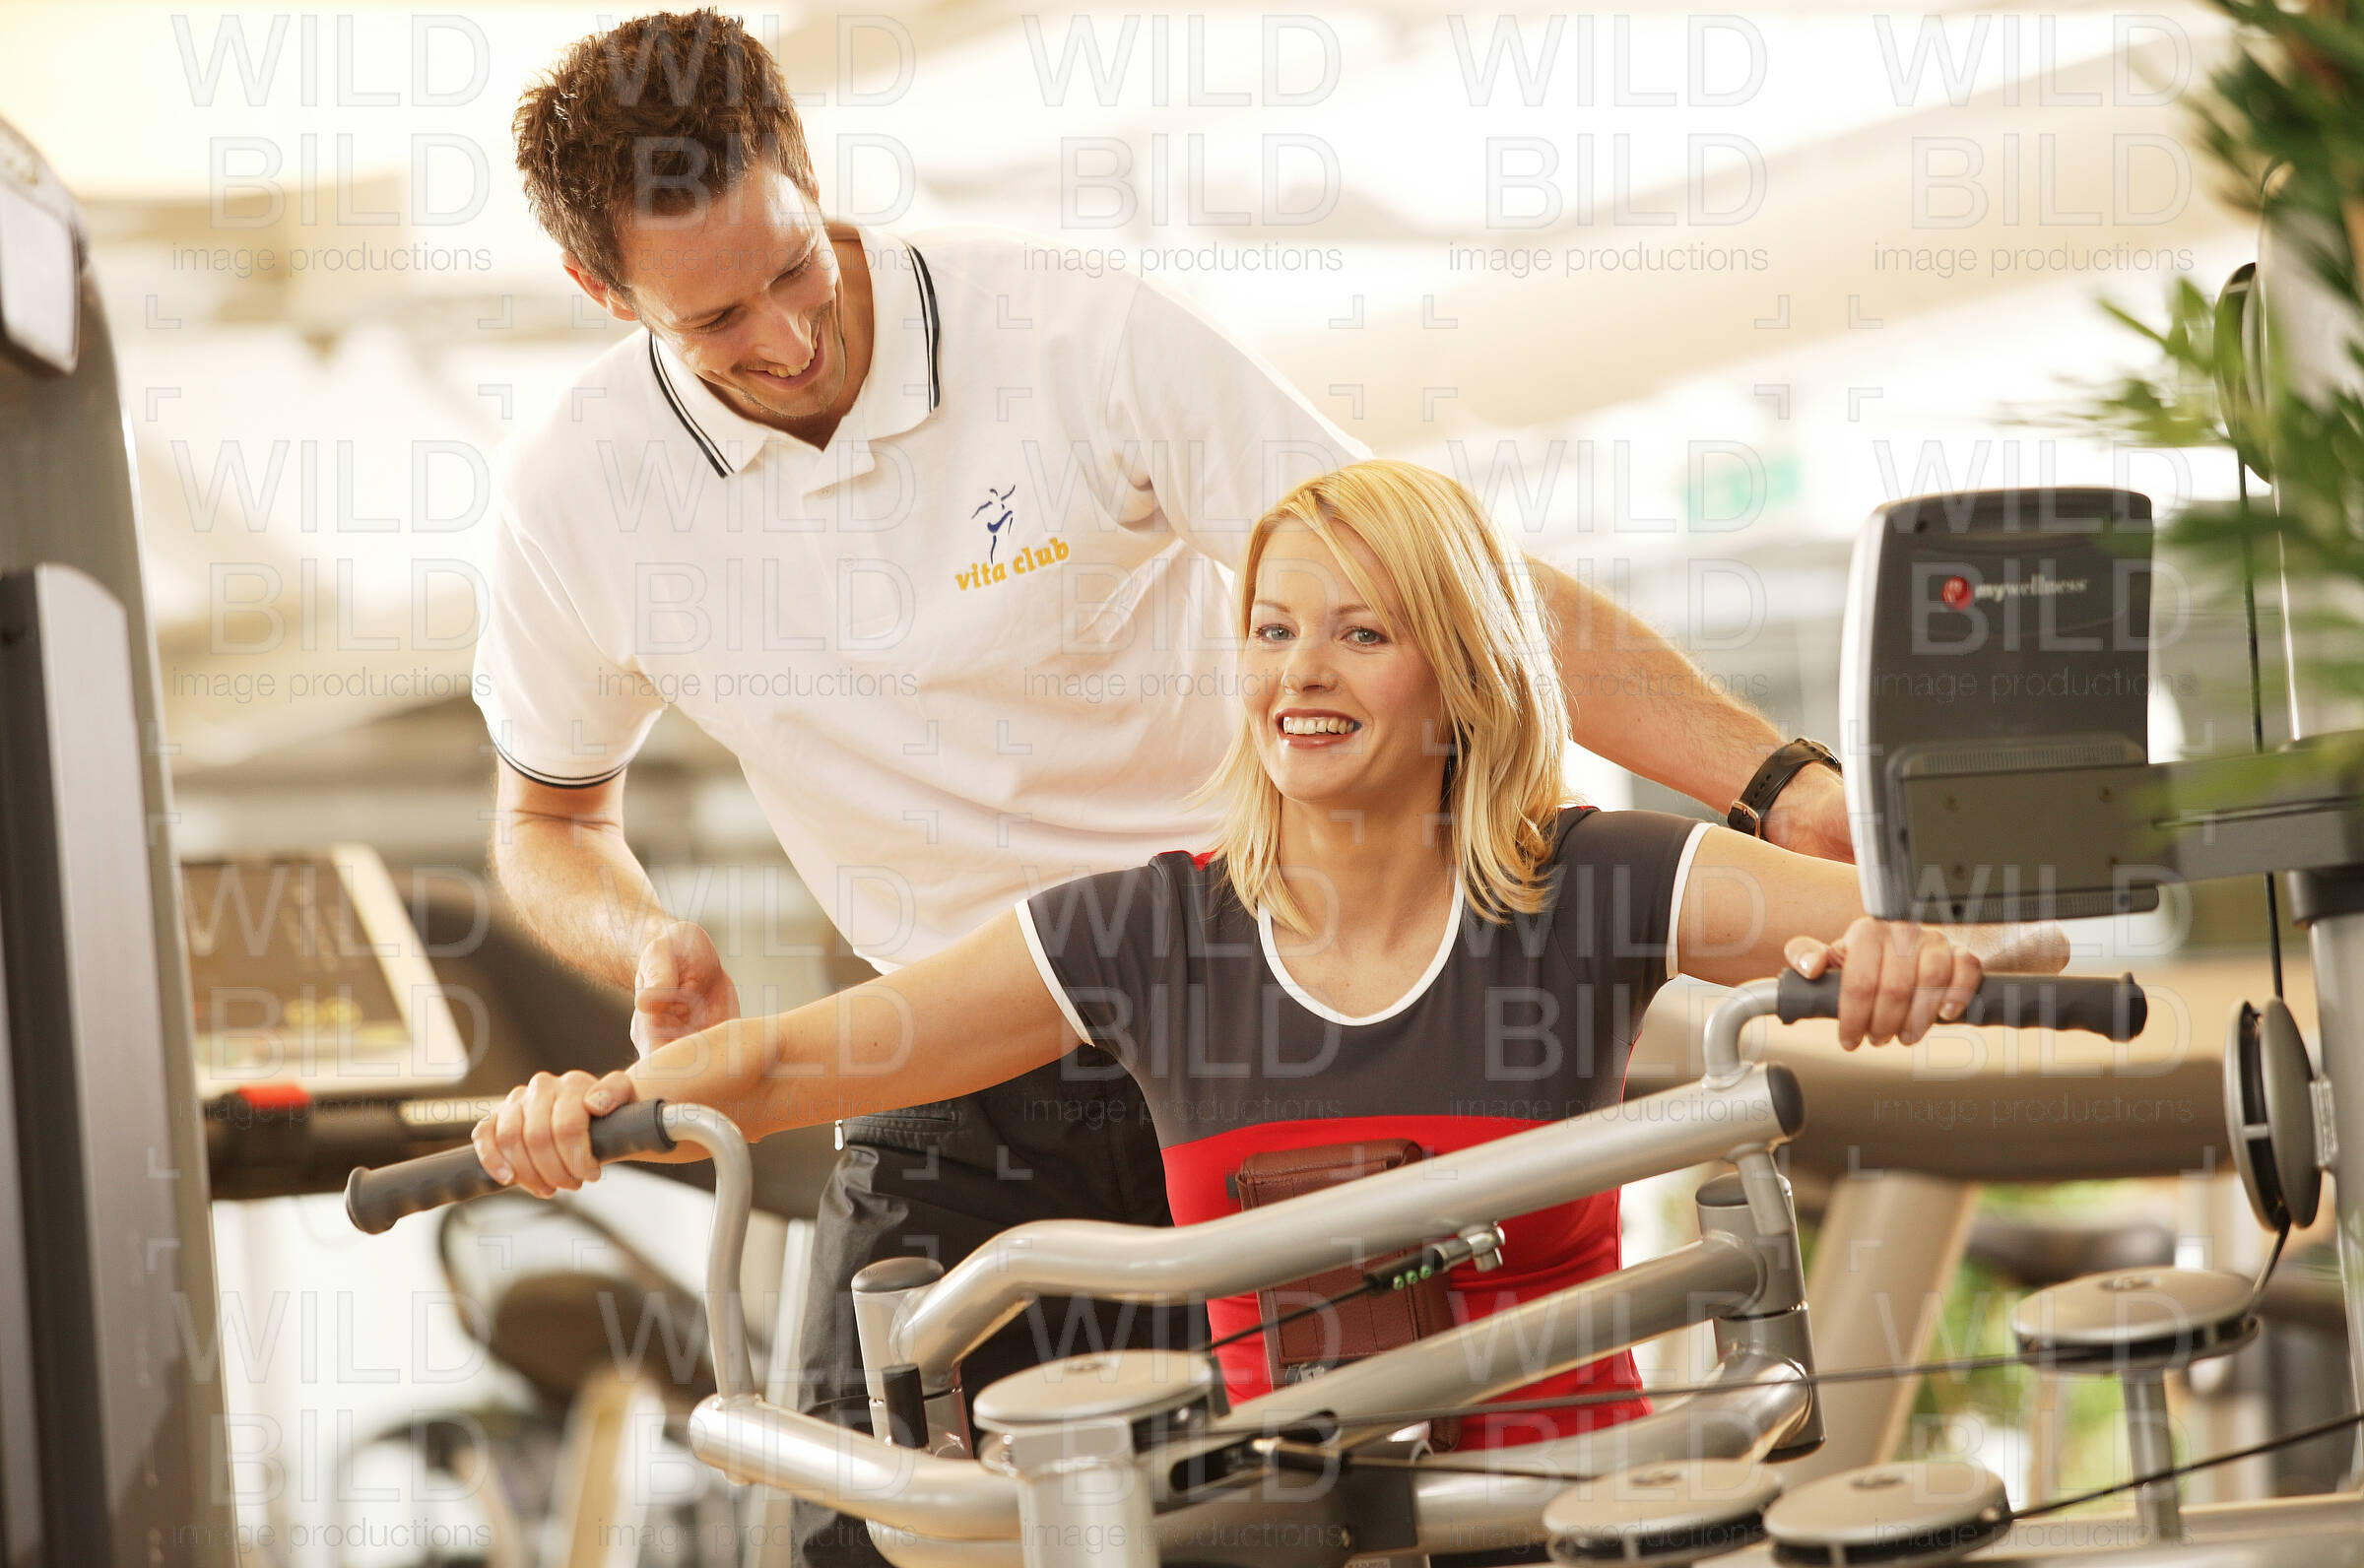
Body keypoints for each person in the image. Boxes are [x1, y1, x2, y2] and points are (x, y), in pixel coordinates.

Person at [483, 13, 1858, 1560]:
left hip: (1239, 1020)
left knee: (1310, 1519)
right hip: (958, 1052)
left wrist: (1776, 780)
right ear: (603, 293)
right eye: (720, 319)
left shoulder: (1072, 337)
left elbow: (1447, 590)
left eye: (795, 267)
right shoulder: (577, 492)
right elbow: (547, 821)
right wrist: (644, 947)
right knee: (863, 1526)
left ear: (806, 167)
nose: (788, 339)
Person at [473, 460, 2067, 1467]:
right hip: (1296, 1524)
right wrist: (587, 1110)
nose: (1302, 673)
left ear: (1466, 675)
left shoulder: (1587, 883)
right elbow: (788, 1063)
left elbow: (1949, 927)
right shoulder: (1148, 934)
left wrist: (1911, 956)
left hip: (1575, 1519)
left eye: (1363, 634)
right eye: (1272, 629)